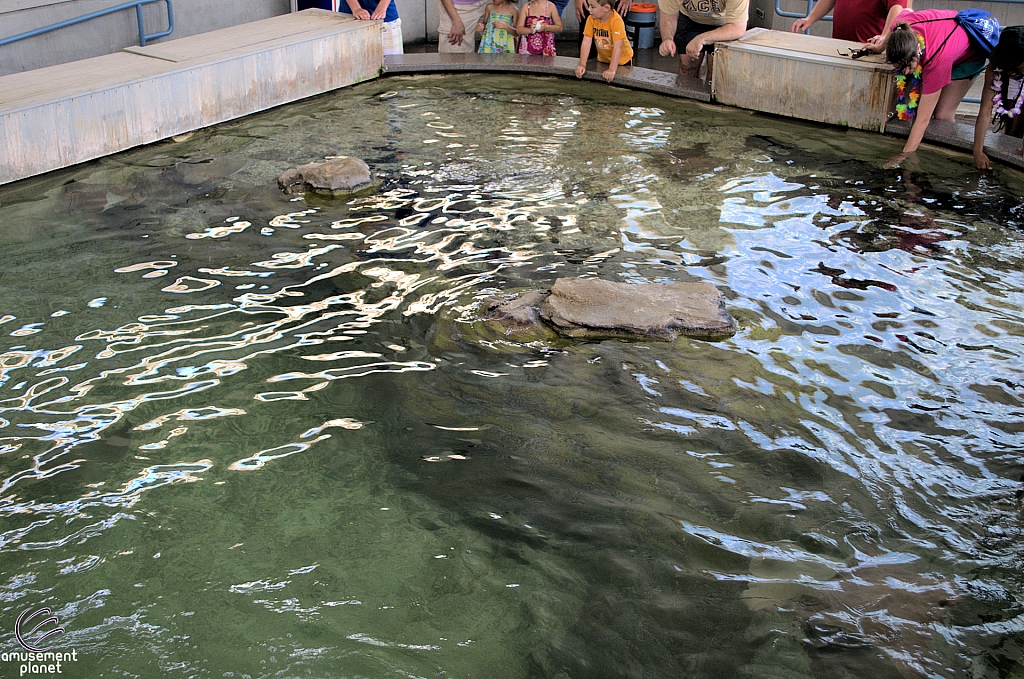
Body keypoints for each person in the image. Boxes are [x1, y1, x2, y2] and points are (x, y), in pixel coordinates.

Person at [871, 9, 989, 168]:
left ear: (918, 51)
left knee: (942, 113)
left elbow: (922, 119)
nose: (905, 72)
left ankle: (947, 162)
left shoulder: (936, 60)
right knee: (920, 103)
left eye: (909, 66)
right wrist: (878, 47)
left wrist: (902, 157)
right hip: (944, 37)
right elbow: (903, 12)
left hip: (969, 56)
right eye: (899, 67)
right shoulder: (899, 28)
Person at [974, 26, 1024, 169]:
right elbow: (985, 109)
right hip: (1011, 90)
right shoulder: (995, 67)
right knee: (1012, 129)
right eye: (1007, 65)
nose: (1011, 72)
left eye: (1015, 67)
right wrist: (977, 150)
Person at [657, 0, 748, 78]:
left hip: (725, 24)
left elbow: (737, 28)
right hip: (690, 18)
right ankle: (684, 97)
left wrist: (701, 39)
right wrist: (667, 38)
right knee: (687, 66)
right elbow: (668, 14)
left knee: (715, 71)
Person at [790, 0, 909, 43]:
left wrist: (884, 36)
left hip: (867, 49)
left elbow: (897, 7)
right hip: (839, 46)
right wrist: (810, 18)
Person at [575, 0, 634, 82]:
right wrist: (582, 64)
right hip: (603, 59)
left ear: (606, 8)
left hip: (623, 61)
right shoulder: (591, 18)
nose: (589, 9)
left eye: (592, 6)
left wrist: (612, 69)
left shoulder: (616, 21)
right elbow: (586, 42)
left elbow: (618, 47)